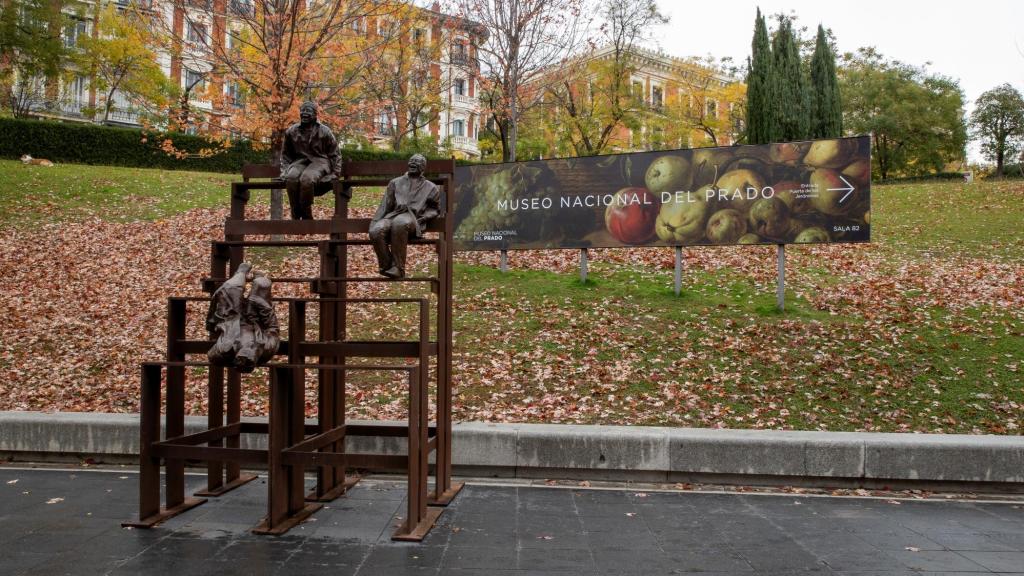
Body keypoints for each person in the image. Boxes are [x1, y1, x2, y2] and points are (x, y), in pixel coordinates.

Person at [369, 154, 441, 278]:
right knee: (376, 231)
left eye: (417, 162)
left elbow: (435, 209)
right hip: (393, 215)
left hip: (412, 218)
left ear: (423, 167)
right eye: (411, 161)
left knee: (400, 223)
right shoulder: (395, 183)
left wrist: (424, 218)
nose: (413, 163)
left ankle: (398, 268)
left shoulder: (431, 187)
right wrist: (375, 222)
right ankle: (386, 265)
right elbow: (385, 205)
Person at [280, 101, 341, 220]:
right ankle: (296, 214)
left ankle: (306, 214)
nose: (305, 114)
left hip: (320, 161)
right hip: (300, 162)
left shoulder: (324, 131)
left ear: (315, 115)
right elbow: (285, 155)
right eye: (303, 111)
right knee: (291, 177)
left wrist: (335, 173)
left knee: (307, 178)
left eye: (308, 111)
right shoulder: (291, 131)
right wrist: (284, 171)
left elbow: (335, 154)